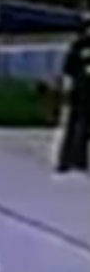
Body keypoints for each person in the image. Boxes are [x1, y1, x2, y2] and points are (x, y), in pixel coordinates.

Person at [55, 13, 90, 174]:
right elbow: (68, 69)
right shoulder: (78, 46)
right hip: (81, 92)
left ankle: (78, 160)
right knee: (75, 126)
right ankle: (70, 160)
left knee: (79, 126)